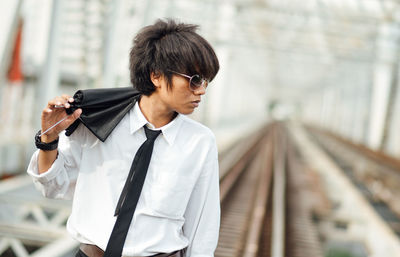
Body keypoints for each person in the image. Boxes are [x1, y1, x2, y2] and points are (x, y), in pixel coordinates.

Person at [27, 19, 220, 257]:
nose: (201, 90)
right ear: (156, 76)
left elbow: (203, 225)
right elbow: (50, 186)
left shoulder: (200, 142)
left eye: (205, 82)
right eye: (195, 80)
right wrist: (49, 137)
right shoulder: (99, 122)